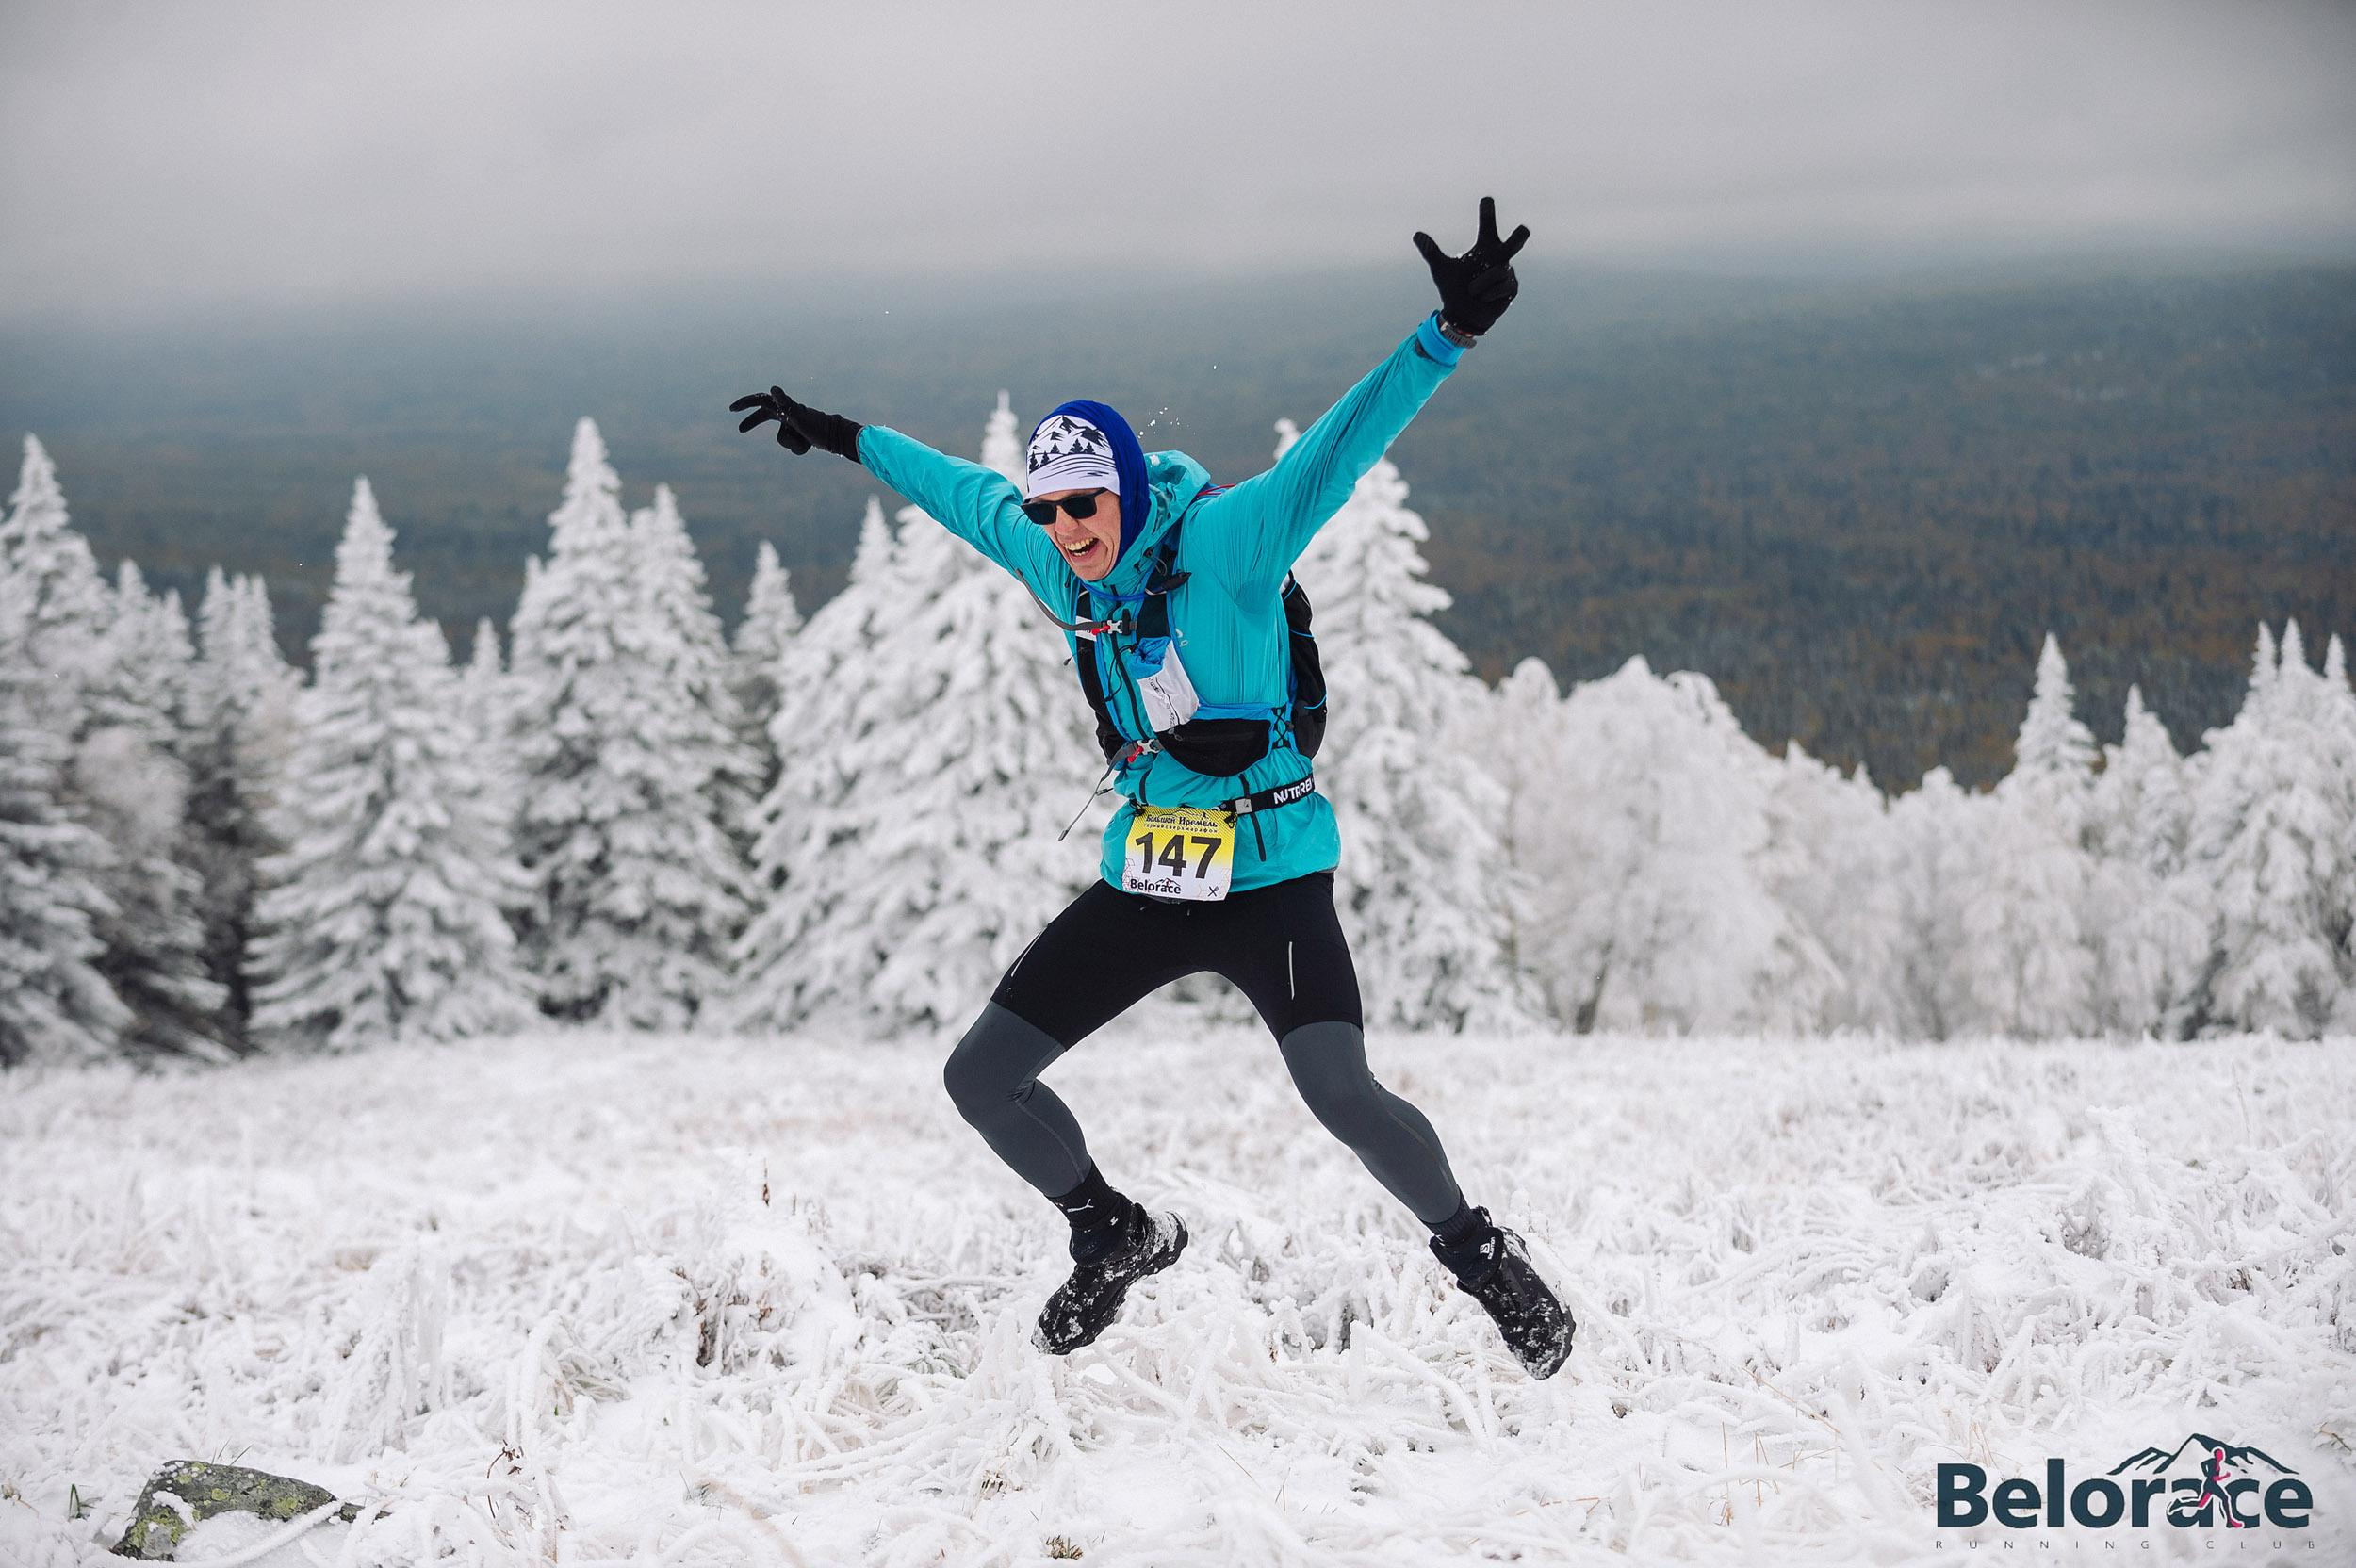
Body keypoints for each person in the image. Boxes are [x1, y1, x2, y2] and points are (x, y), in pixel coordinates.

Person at [730, 199, 1572, 1378]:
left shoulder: (1231, 543)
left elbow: (1340, 444)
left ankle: (1485, 1257)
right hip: (1151, 872)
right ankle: (1112, 1230)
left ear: (1124, 488)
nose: (1064, 525)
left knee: (1339, 1091)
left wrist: (1450, 331)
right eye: (1052, 508)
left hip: (1273, 872)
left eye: (1084, 501)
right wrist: (837, 432)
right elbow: (960, 491)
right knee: (979, 1076)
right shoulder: (1058, 568)